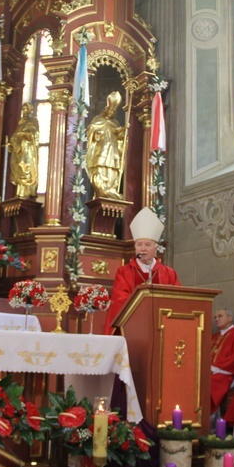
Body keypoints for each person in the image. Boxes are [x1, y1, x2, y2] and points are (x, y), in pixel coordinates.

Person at [105, 207, 180, 335]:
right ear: (135, 247)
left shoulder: (168, 273)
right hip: (132, 327)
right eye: (139, 244)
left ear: (156, 248)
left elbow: (177, 299)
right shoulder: (124, 272)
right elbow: (120, 300)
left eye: (147, 245)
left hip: (162, 327)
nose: (143, 249)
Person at [86, 91, 127, 200]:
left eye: (114, 111)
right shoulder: (98, 120)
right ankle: (103, 191)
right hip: (102, 151)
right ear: (106, 109)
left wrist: (124, 131)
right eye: (111, 110)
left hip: (113, 152)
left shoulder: (115, 123)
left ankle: (111, 190)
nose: (112, 112)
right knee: (100, 170)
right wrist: (96, 134)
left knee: (112, 170)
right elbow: (91, 130)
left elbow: (119, 136)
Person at [9, 103, 40, 198]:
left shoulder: (33, 121)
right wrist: (13, 143)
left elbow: (34, 134)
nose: (24, 111)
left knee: (26, 169)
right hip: (19, 151)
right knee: (18, 167)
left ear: (31, 110)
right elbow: (15, 135)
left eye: (26, 109)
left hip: (28, 150)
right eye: (23, 109)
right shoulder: (21, 122)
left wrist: (23, 134)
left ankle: (27, 192)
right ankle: (19, 192)